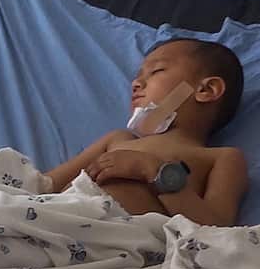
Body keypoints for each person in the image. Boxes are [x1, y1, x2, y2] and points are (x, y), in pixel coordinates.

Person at [47, 38, 248, 227]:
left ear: (206, 90)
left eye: (156, 71)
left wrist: (154, 171)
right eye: (137, 77)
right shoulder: (117, 140)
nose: (135, 83)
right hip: (55, 219)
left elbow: (216, 231)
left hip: (118, 239)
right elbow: (45, 184)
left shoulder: (220, 157)